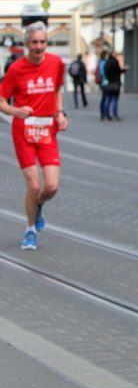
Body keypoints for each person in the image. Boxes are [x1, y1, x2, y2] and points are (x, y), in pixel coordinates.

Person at [0, 21, 69, 250]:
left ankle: (38, 206)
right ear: (27, 44)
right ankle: (30, 230)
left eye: (42, 42)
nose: (39, 46)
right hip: (23, 132)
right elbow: (1, 101)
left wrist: (60, 112)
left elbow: (57, 89)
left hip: (47, 131)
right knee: (33, 186)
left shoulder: (56, 63)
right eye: (34, 42)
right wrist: (15, 111)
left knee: (51, 187)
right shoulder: (16, 69)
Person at [102, 49, 128, 121]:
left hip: (108, 82)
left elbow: (105, 72)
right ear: (112, 54)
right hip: (115, 82)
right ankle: (115, 115)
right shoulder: (115, 62)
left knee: (107, 99)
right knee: (115, 100)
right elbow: (118, 71)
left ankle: (106, 114)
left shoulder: (106, 62)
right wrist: (125, 69)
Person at [98, 50, 110, 121]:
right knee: (105, 98)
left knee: (104, 98)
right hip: (104, 82)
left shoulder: (101, 62)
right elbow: (102, 73)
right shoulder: (103, 62)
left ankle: (103, 113)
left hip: (103, 82)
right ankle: (104, 113)